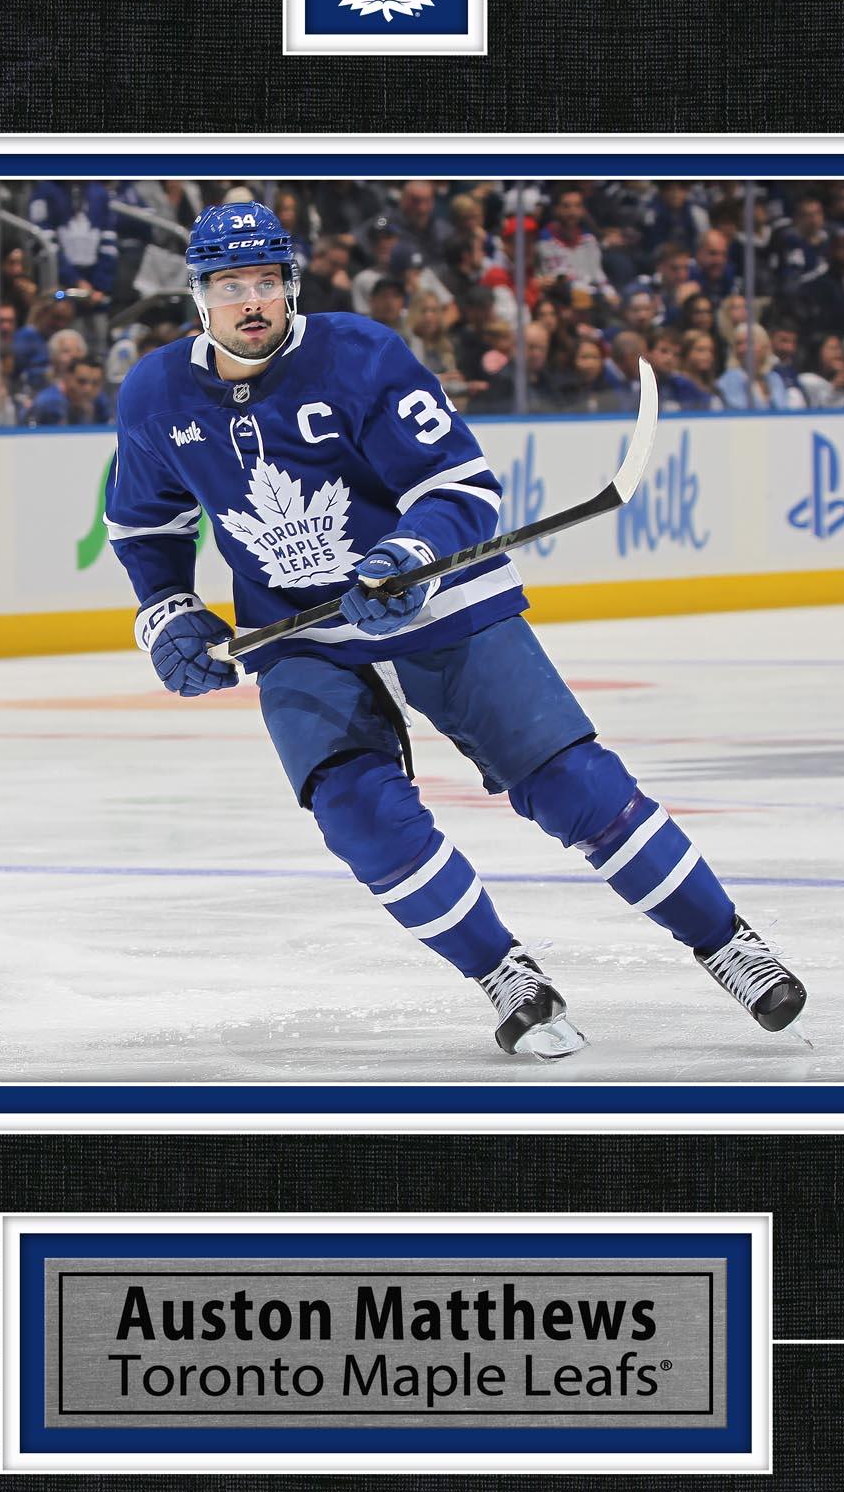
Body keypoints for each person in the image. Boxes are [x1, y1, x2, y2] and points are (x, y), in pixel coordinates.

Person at [104, 200, 807, 1059]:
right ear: (197, 298)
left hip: (440, 602)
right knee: (356, 813)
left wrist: (410, 553)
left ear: (290, 286)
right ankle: (503, 974)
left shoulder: (360, 355)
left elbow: (462, 486)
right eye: (228, 287)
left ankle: (727, 943)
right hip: (300, 631)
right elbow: (145, 526)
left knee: (572, 786)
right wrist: (167, 610)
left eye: (264, 283)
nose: (250, 302)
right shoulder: (154, 393)